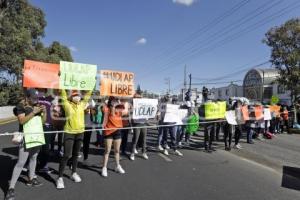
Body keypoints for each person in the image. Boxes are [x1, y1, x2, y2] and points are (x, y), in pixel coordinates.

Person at [5, 89, 46, 200]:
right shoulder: (21, 106)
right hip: (26, 137)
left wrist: (44, 112)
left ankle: (31, 179)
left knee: (34, 158)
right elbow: (21, 121)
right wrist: (34, 112)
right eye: (33, 98)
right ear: (27, 97)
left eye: (37, 98)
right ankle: (11, 189)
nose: (36, 100)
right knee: (21, 162)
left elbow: (42, 122)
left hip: (37, 136)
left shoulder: (38, 106)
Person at [56, 89, 93, 189]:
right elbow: (63, 94)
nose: (77, 97)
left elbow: (88, 95)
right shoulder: (67, 104)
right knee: (67, 155)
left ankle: (73, 173)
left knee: (76, 154)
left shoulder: (82, 104)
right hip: (69, 133)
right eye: (75, 95)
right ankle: (59, 177)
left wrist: (92, 81)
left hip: (80, 133)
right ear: (71, 97)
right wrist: (61, 81)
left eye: (78, 95)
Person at [101, 96, 128, 177]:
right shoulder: (106, 109)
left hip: (117, 131)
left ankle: (117, 166)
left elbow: (125, 111)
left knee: (117, 150)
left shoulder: (120, 108)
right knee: (107, 151)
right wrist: (105, 101)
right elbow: (102, 106)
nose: (116, 101)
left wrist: (123, 101)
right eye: (114, 100)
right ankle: (104, 168)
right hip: (108, 132)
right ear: (110, 101)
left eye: (117, 100)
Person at [36, 88, 54, 173]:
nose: (41, 91)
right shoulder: (34, 99)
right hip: (38, 125)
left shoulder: (50, 99)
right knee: (37, 147)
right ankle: (35, 164)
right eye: (39, 89)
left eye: (43, 90)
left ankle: (44, 165)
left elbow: (58, 91)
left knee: (46, 147)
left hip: (48, 126)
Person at [130, 93, 149, 161]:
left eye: (139, 98)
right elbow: (131, 114)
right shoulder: (132, 105)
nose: (138, 99)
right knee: (135, 139)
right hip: (136, 124)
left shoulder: (144, 104)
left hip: (144, 123)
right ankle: (132, 153)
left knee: (144, 139)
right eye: (137, 98)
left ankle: (144, 153)